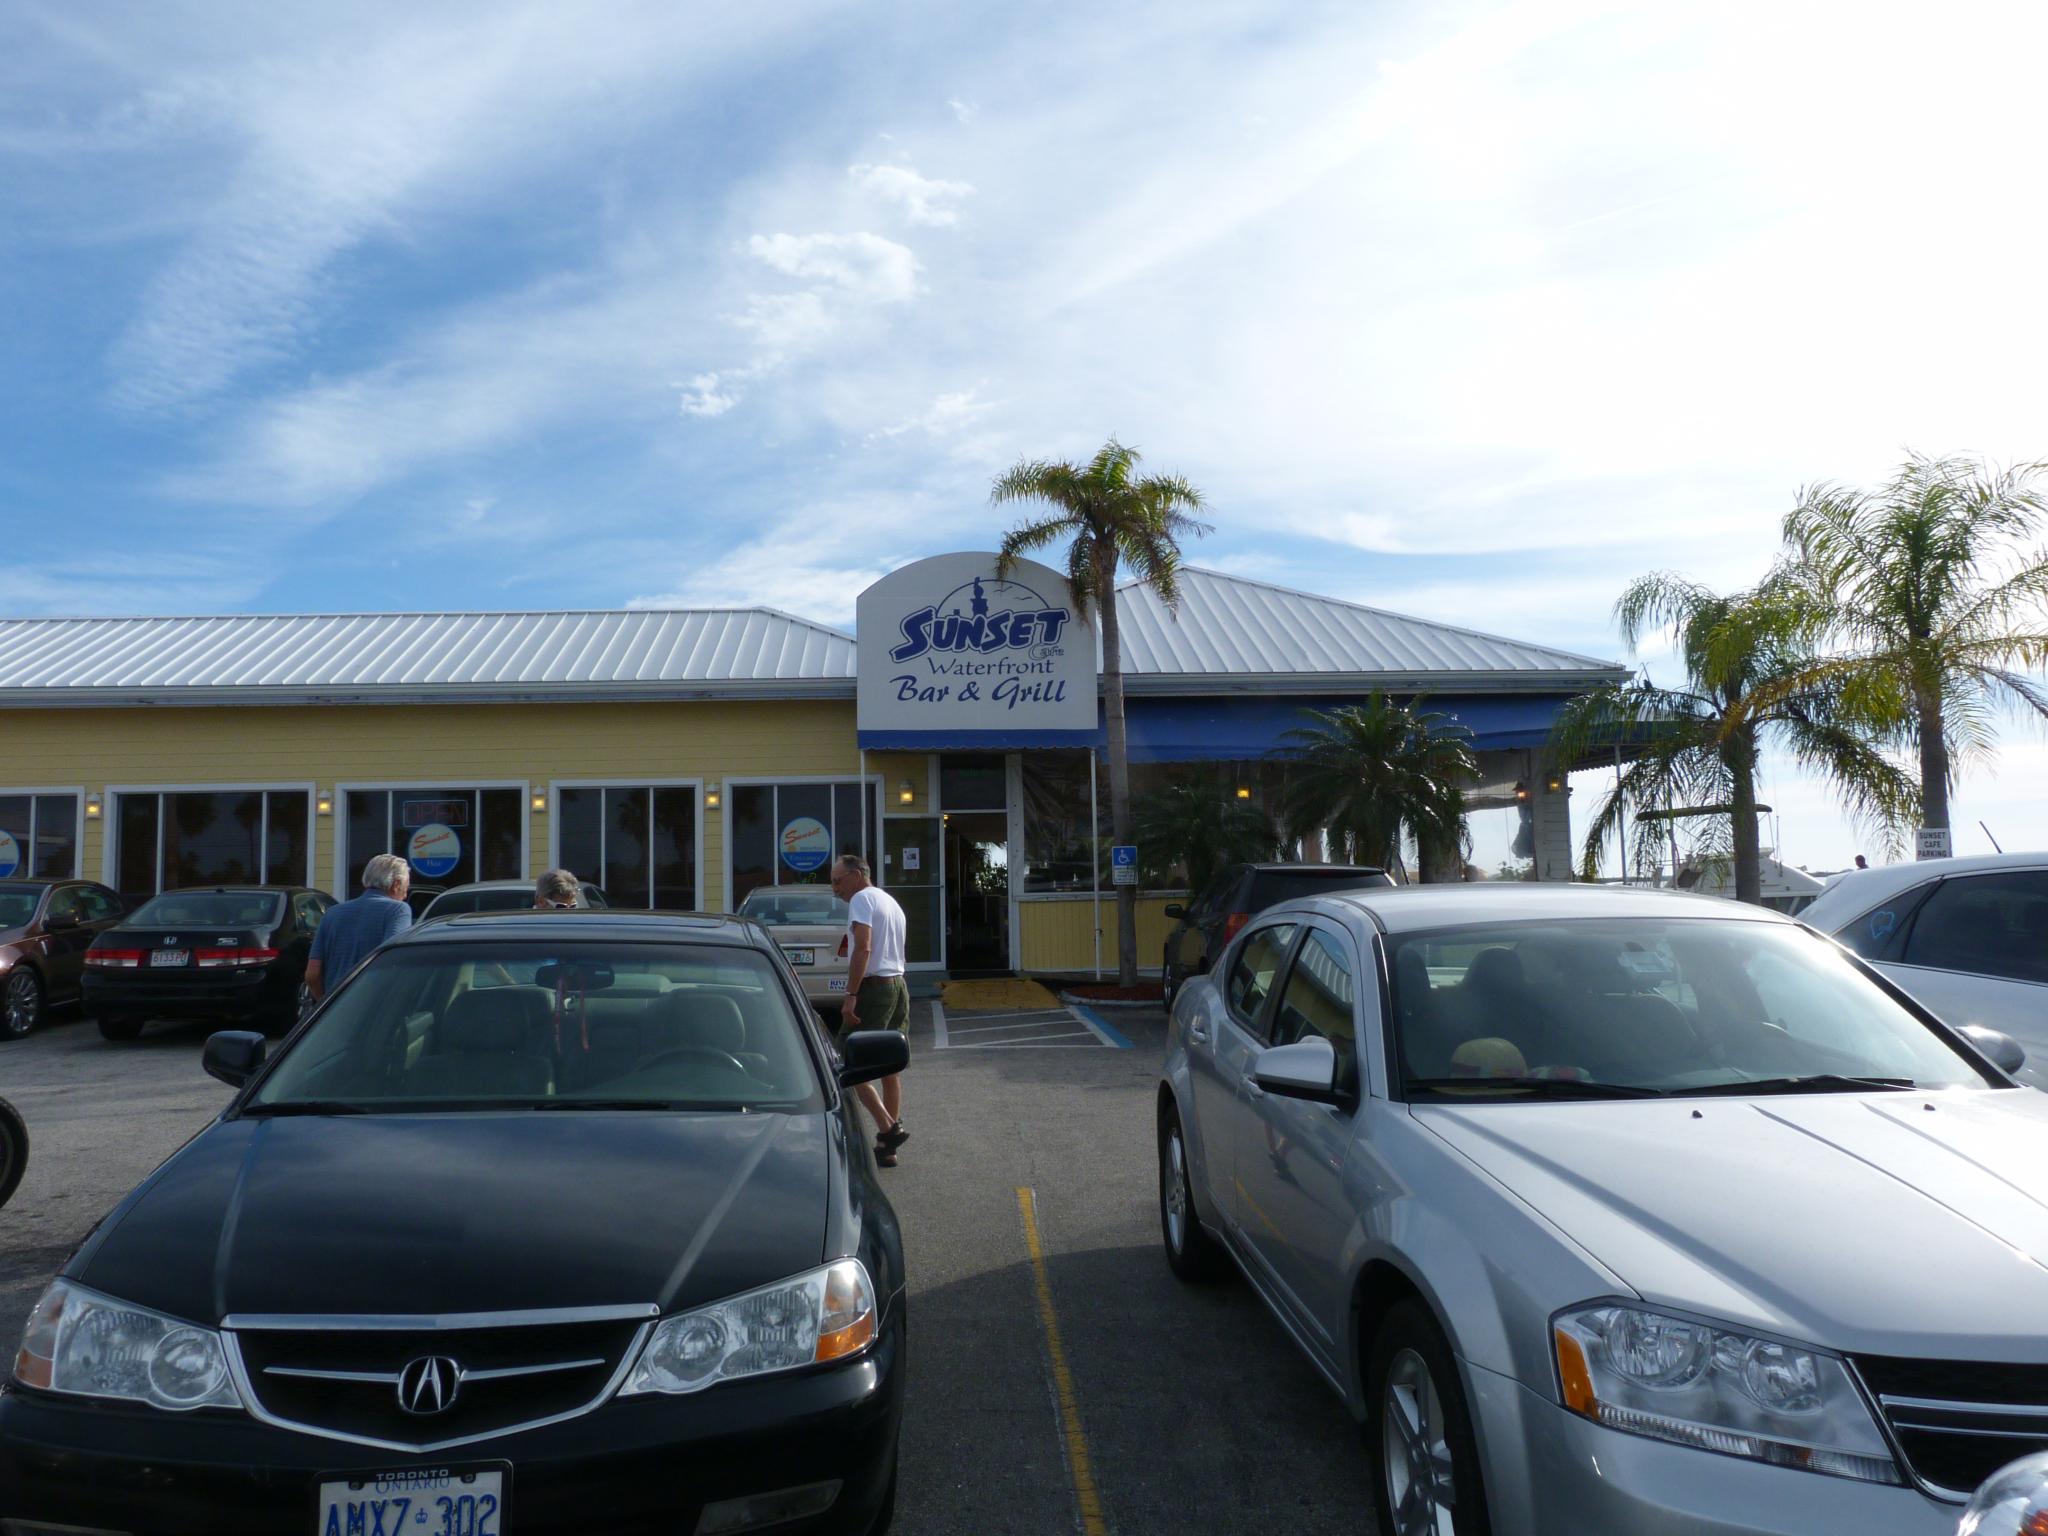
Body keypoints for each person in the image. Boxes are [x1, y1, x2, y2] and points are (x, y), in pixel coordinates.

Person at [829, 854, 910, 1166]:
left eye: (838, 880)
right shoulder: (889, 901)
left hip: (874, 989)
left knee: (846, 1060)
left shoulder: (861, 899)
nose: (835, 888)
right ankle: (887, 1147)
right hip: (897, 985)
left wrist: (851, 994)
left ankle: (889, 1127)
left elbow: (864, 947)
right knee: (889, 1067)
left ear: (857, 875)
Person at [305, 854, 412, 1002]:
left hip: (335, 1009)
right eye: (406, 888)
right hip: (374, 1006)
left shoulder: (332, 913)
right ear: (396, 884)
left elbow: (312, 975)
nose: (405, 895)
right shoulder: (398, 910)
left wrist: (326, 1005)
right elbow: (394, 961)